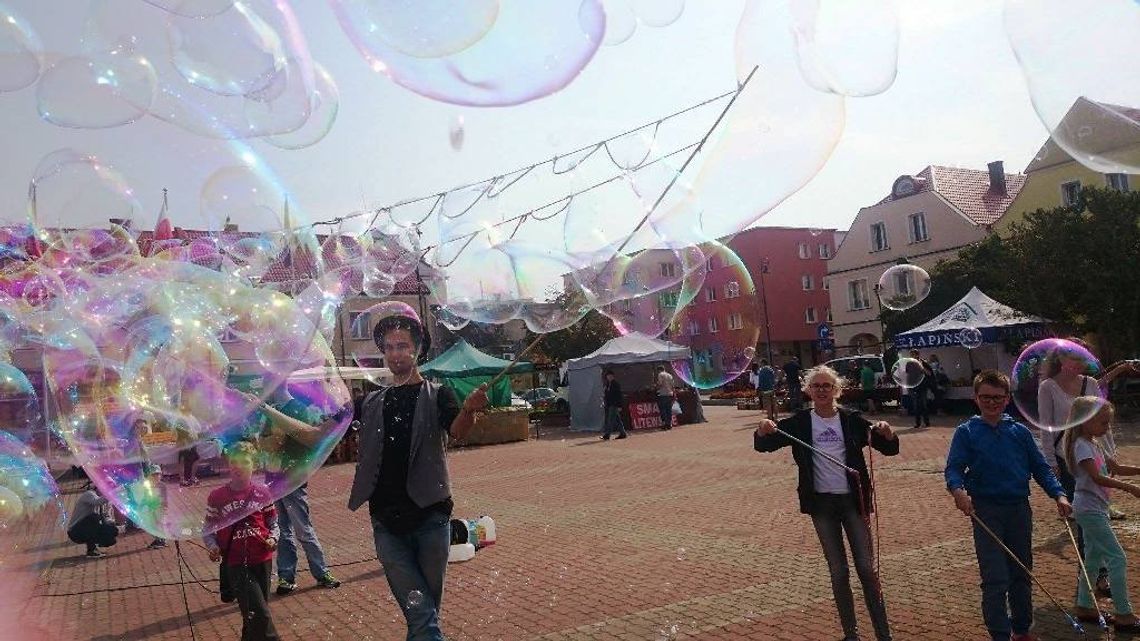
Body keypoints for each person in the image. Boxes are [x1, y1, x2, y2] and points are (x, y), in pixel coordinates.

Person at [347, 312, 488, 641]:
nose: (396, 353)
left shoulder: (439, 394)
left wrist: (468, 410)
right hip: (386, 522)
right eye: (390, 347)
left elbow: (458, 431)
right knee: (422, 613)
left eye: (403, 346)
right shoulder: (368, 401)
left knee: (424, 613)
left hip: (430, 519)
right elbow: (322, 429)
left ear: (418, 349)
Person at [754, 365, 898, 641]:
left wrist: (888, 432)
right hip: (822, 506)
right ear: (808, 390)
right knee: (838, 571)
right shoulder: (799, 423)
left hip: (853, 502)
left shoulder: (851, 420)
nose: (821, 390)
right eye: (816, 386)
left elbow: (887, 447)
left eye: (827, 386)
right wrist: (763, 429)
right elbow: (765, 445)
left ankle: (884, 634)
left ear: (837, 390)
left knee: (867, 569)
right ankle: (851, 634)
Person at [945, 370, 1072, 641]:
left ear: (1007, 400)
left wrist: (1058, 494)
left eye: (998, 398)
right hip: (986, 511)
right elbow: (954, 468)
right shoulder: (966, 432)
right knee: (995, 578)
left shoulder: (1020, 432)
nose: (992, 402)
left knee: (1022, 572)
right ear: (976, 398)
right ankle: (1000, 634)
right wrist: (958, 491)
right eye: (986, 397)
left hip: (1018, 509)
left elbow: (1040, 468)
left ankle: (1022, 630)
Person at [249, 386, 343, 595]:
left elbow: (308, 441)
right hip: (273, 478)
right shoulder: (270, 410)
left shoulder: (298, 409)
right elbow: (263, 444)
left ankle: (321, 572)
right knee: (281, 529)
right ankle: (286, 576)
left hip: (292, 479)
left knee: (303, 528)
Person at [1061, 397, 1140, 631]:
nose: (1107, 428)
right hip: (1089, 509)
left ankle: (1085, 605)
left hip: (1098, 508)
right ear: (1084, 421)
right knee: (1118, 558)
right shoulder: (1081, 446)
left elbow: (1115, 468)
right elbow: (1097, 477)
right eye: (1103, 423)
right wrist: (1131, 488)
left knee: (1094, 559)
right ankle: (1124, 614)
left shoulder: (1094, 442)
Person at [204, 441, 280, 641]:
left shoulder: (262, 493)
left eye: (244, 462)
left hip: (263, 559)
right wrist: (212, 547)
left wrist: (273, 538)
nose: (238, 466)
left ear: (253, 465)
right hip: (236, 563)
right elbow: (208, 529)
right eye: (234, 462)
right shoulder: (217, 496)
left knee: (252, 616)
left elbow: (273, 523)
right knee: (260, 615)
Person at [67, 488, 119, 558]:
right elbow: (97, 502)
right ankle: (91, 550)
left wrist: (112, 526)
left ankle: (95, 547)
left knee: (112, 530)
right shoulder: (89, 494)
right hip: (75, 531)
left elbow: (106, 517)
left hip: (85, 527)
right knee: (93, 518)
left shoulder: (104, 502)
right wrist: (112, 493)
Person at [907, 350, 934, 429]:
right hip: (914, 387)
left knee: (924, 405)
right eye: (911, 355)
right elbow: (908, 375)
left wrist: (922, 367)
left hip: (922, 387)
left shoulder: (923, 362)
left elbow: (929, 373)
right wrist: (908, 386)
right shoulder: (909, 364)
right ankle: (917, 423)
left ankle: (927, 422)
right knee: (916, 406)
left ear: (917, 355)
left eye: (913, 355)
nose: (911, 356)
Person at [601, 369, 627, 440]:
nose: (609, 377)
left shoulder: (616, 384)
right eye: (607, 376)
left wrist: (620, 405)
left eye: (610, 376)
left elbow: (619, 396)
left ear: (613, 376)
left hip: (614, 404)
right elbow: (606, 395)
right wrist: (605, 402)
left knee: (610, 420)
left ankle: (607, 435)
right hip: (609, 404)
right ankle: (623, 433)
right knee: (617, 420)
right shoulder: (607, 385)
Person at [655, 365, 675, 430]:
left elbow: (660, 384)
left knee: (663, 410)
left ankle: (664, 424)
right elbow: (673, 386)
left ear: (659, 370)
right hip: (669, 394)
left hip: (662, 394)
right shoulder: (670, 375)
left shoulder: (660, 375)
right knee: (669, 410)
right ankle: (669, 424)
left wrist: (656, 386)